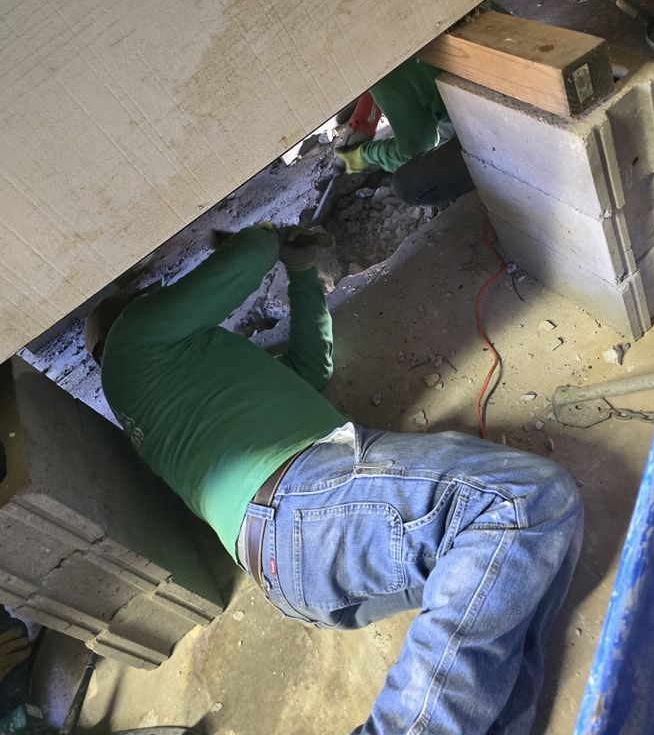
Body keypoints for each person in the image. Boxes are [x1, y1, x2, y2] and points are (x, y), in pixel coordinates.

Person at [86, 224, 583, 735]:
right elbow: (249, 255)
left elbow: (310, 366)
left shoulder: (171, 390)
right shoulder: (134, 335)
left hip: (291, 572)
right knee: (521, 501)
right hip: (303, 507)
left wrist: (301, 272)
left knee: (513, 577)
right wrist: (268, 237)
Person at [336, 58, 475, 206]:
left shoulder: (386, 81)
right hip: (474, 90)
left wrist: (363, 154)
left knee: (406, 185)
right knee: (438, 115)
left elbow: (412, 152)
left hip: (493, 132)